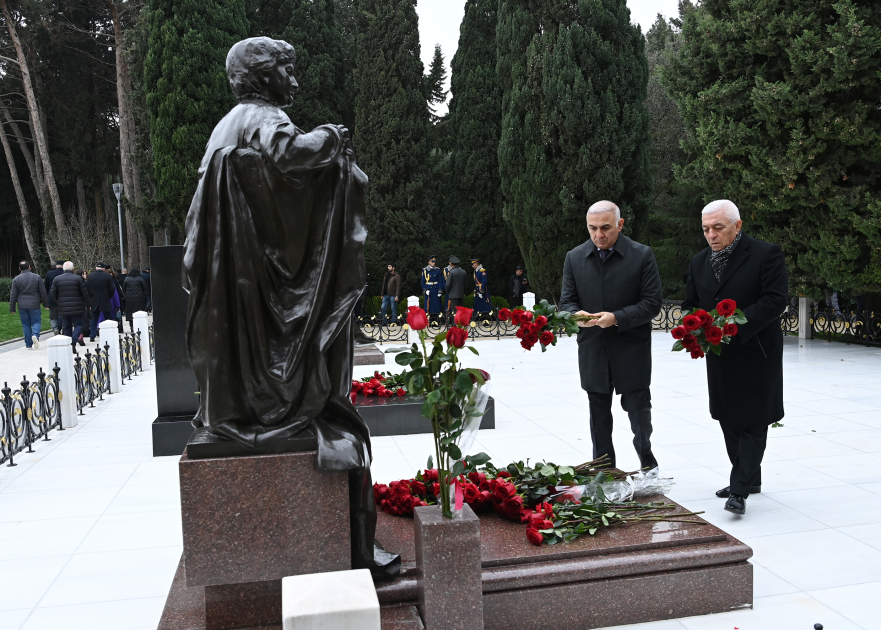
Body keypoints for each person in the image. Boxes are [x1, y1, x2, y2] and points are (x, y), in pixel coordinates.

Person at [682, 200, 788, 516]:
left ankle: (739, 489)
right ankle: (749, 478)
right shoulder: (699, 262)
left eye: (718, 228)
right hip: (719, 353)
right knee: (727, 416)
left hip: (756, 351)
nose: (711, 235)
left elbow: (775, 300)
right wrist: (695, 325)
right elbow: (690, 304)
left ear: (737, 226)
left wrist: (734, 325)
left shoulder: (766, 254)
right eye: (706, 229)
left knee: (754, 419)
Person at [560, 200, 663, 471]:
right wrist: (575, 316)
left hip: (632, 349)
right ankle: (604, 471)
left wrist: (617, 318)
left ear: (620, 224)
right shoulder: (574, 257)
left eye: (605, 227)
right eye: (592, 228)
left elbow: (652, 303)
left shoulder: (642, 255)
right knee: (599, 417)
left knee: (640, 414)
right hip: (593, 348)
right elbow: (567, 302)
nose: (598, 235)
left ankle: (647, 463)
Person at [9, 260, 49, 349]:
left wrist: (12, 308)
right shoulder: (37, 277)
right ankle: (35, 334)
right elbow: (43, 292)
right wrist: (46, 304)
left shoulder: (16, 279)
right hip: (34, 303)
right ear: (29, 267)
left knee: (26, 325)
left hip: (22, 304)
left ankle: (28, 344)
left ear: (19, 269)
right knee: (36, 321)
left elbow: (13, 295)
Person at [50, 261, 90, 348]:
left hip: (63, 306)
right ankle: (74, 341)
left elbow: (52, 294)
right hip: (77, 306)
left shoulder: (57, 279)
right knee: (79, 324)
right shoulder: (78, 279)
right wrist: (87, 304)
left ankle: (69, 344)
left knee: (67, 326)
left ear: (63, 269)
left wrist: (59, 301)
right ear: (73, 269)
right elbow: (85, 293)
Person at [87, 263, 118, 341]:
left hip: (93, 300)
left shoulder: (90, 276)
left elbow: (87, 288)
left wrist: (91, 297)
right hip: (105, 299)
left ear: (95, 268)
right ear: (104, 269)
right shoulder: (107, 276)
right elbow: (112, 289)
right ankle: (109, 333)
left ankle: (92, 335)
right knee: (107, 318)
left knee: (93, 319)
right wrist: (108, 296)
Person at [44, 260, 64, 333]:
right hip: (63, 298)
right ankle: (59, 328)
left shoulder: (49, 274)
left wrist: (45, 300)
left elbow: (45, 287)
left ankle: (55, 328)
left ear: (56, 266)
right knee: (61, 315)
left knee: (53, 316)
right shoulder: (65, 273)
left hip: (52, 298)